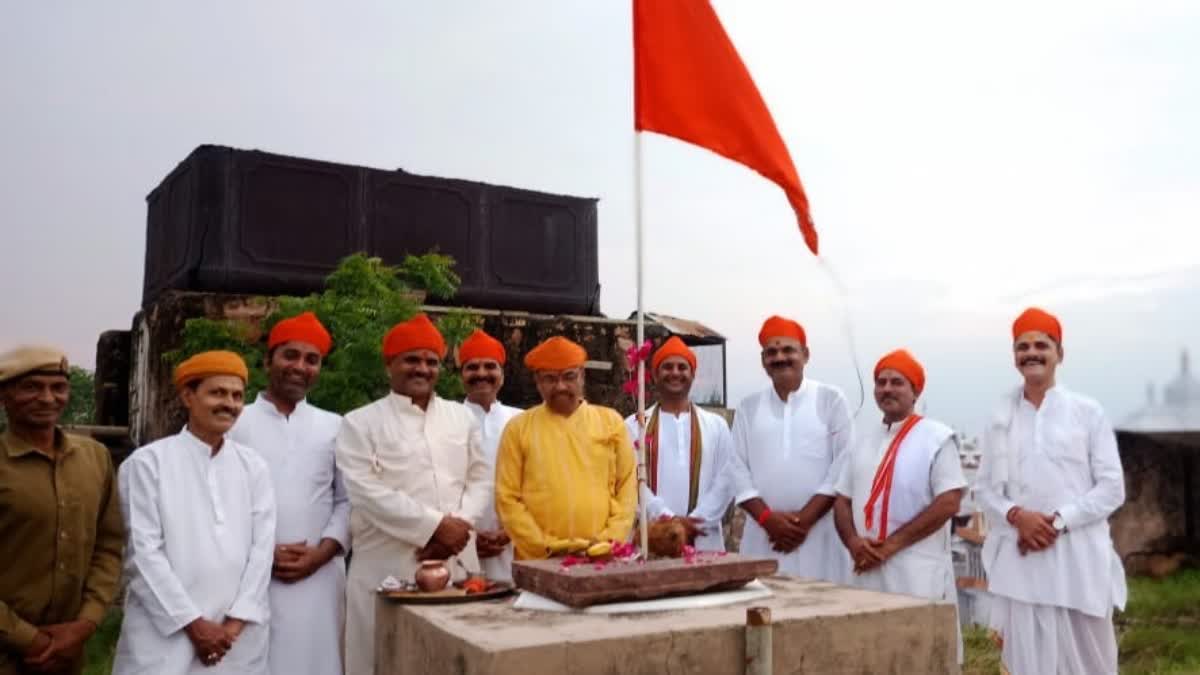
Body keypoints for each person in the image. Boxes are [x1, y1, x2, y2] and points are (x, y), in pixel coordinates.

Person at [336, 314, 490, 675]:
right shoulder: (359, 422)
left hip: (456, 560)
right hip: (387, 564)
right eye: (412, 359)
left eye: (431, 361)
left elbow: (481, 477)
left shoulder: (460, 418)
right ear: (389, 364)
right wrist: (435, 527)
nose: (422, 368)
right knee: (385, 660)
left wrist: (457, 528)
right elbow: (366, 492)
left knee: (455, 660)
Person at [976, 307, 1126, 675]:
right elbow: (984, 488)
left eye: (1041, 344)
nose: (1031, 353)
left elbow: (1112, 488)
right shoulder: (1000, 418)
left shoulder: (1087, 412)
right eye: (1022, 346)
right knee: (1028, 662)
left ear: (1060, 353)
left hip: (1078, 563)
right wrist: (1017, 516)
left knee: (1093, 663)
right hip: (1022, 562)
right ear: (1014, 357)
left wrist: (1057, 522)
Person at [114, 351, 276, 674]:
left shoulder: (253, 466)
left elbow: (262, 551)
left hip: (236, 640)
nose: (228, 404)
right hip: (165, 638)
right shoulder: (147, 464)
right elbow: (143, 556)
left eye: (236, 395)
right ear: (188, 396)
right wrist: (194, 625)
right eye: (217, 393)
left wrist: (233, 625)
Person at [227, 312, 349, 675]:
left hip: (319, 576)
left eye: (312, 360)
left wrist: (321, 553)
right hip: (246, 574)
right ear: (268, 360)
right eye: (290, 355)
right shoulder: (234, 422)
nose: (300, 366)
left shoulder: (336, 426)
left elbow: (347, 501)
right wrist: (262, 554)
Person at [833, 349, 966, 661]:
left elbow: (948, 502)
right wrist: (854, 543)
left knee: (920, 655)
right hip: (866, 569)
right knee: (870, 654)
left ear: (915, 391)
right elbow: (842, 500)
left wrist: (892, 545)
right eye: (881, 382)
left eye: (897, 382)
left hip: (916, 571)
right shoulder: (862, 441)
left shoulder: (937, 437)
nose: (887, 389)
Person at [0, 346, 123, 675]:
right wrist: (29, 640)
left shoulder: (95, 457)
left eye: (58, 387)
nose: (47, 398)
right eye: (31, 387)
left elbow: (109, 546)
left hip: (69, 655)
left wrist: (85, 625)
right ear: (4, 396)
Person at [727, 316, 853, 581]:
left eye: (788, 350)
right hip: (764, 536)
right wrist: (768, 521)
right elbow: (737, 468)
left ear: (805, 355)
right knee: (763, 610)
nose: (780, 357)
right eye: (771, 352)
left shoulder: (830, 399)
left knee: (821, 610)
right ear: (764, 361)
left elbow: (844, 463)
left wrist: (804, 521)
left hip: (819, 534)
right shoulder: (749, 407)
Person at [495, 336, 637, 560]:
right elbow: (507, 498)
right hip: (539, 559)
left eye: (569, 377)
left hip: (601, 556)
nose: (560, 386)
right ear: (537, 381)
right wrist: (545, 547)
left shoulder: (611, 422)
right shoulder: (518, 429)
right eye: (550, 379)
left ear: (582, 376)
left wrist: (608, 542)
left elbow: (627, 487)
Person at [623, 336, 734, 551]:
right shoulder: (634, 425)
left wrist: (697, 521)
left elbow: (727, 479)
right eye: (667, 367)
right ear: (655, 375)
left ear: (693, 374)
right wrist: (668, 519)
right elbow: (630, 481)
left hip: (703, 535)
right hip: (654, 534)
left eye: (682, 367)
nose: (675, 373)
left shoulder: (716, 425)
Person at [457, 329, 522, 581]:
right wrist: (468, 537)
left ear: (502, 376)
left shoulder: (522, 421)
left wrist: (510, 533)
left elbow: (538, 484)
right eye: (472, 367)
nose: (481, 374)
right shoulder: (446, 420)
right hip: (459, 545)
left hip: (516, 543)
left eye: (490, 366)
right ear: (461, 375)